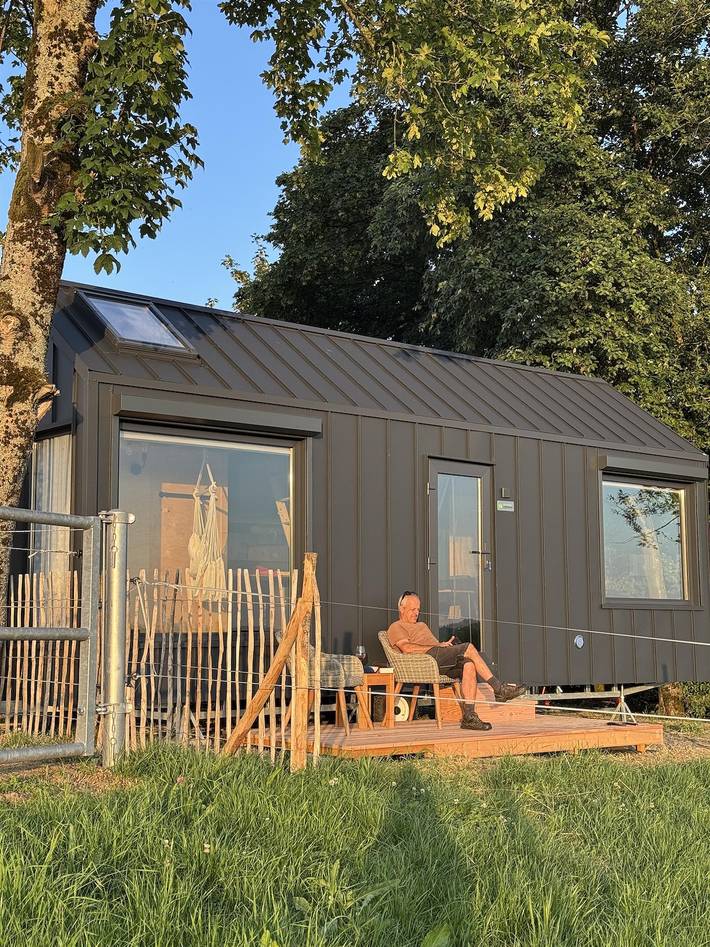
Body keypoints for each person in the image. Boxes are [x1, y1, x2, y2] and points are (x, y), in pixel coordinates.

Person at [387, 591, 525, 731]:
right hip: (425, 661)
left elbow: (435, 646)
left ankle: (469, 717)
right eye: (412, 609)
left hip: (438, 658)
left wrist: (445, 645)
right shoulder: (396, 627)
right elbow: (407, 648)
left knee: (469, 665)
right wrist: (437, 646)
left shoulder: (421, 625)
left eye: (418, 610)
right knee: (468, 648)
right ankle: (499, 688)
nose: (416, 613)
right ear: (402, 609)